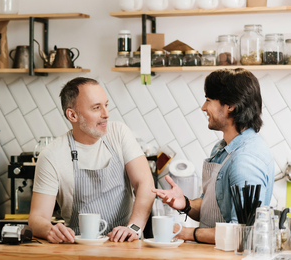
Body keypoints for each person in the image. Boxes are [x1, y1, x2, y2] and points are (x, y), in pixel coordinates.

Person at [152, 68, 274, 244]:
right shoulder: (222, 148)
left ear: (230, 106)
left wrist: (186, 233)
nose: (203, 107)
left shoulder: (246, 160)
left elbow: (242, 234)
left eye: (208, 100)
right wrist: (185, 204)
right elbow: (214, 207)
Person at [28, 77, 155, 244]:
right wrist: (49, 229)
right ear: (72, 115)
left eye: (106, 105)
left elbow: (145, 184)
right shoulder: (52, 155)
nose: (106, 114)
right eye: (96, 108)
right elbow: (37, 217)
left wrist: (134, 228)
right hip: (78, 248)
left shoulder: (119, 133)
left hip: (126, 244)